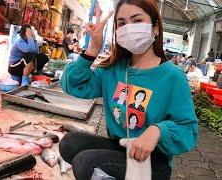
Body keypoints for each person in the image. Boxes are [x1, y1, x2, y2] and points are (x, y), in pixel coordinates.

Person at [59, 1, 198, 180]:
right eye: (122, 23)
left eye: (137, 20)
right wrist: (93, 49)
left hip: (152, 161)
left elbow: (188, 129)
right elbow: (72, 85)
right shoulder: (113, 70)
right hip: (120, 147)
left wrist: (158, 131)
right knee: (69, 143)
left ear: (155, 28)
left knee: (86, 163)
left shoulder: (173, 77)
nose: (129, 28)